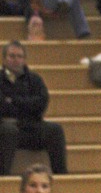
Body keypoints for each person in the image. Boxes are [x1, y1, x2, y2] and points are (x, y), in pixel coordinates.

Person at [0, 40, 68, 176]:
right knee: (8, 130)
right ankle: (3, 177)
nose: (16, 60)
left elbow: (41, 103)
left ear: (24, 59)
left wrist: (13, 100)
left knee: (55, 130)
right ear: (4, 59)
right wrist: (26, 105)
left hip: (31, 127)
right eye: (12, 56)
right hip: (6, 128)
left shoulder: (34, 79)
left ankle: (61, 176)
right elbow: (2, 107)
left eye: (19, 56)